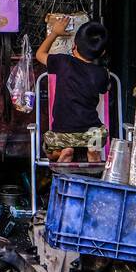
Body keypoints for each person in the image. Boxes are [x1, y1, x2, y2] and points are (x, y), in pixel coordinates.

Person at [35, 17, 111, 163]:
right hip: (91, 133)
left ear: (74, 45)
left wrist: (55, 33)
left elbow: (39, 54)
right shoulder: (101, 73)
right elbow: (105, 88)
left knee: (49, 150)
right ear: (102, 53)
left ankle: (64, 151)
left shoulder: (63, 62)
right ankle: (93, 151)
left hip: (62, 133)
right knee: (98, 134)